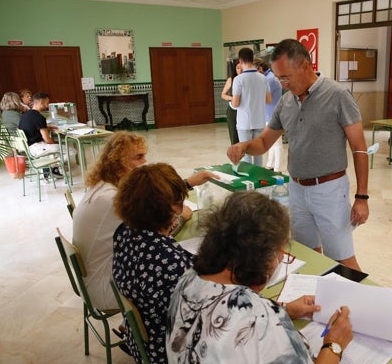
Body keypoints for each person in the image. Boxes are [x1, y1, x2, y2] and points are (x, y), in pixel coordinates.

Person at [227, 39, 369, 272]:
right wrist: (244, 146)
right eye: (278, 77)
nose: (282, 84)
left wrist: (362, 197)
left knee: (342, 259)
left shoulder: (337, 95)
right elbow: (263, 142)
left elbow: (359, 147)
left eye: (286, 77)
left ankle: (364, 305)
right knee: (308, 253)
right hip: (297, 190)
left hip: (330, 190)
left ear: (305, 66)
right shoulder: (286, 102)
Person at [165, 191, 353, 364]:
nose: (281, 258)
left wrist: (286, 310)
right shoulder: (260, 317)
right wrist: (334, 345)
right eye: (281, 252)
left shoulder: (188, 279)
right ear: (263, 256)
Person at [73, 132, 216, 310]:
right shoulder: (111, 200)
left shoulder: (104, 186)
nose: (145, 162)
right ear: (118, 165)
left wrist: (186, 183)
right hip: (105, 286)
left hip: (99, 274)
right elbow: (154, 230)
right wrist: (180, 218)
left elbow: (146, 196)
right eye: (138, 157)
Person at [113, 163, 197, 364]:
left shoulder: (123, 231)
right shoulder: (169, 262)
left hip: (140, 341)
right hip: (167, 352)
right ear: (174, 207)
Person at [231, 47, 271, 166]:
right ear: (253, 59)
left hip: (244, 122)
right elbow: (269, 100)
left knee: (246, 152)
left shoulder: (238, 80)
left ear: (240, 60)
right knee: (258, 153)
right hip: (259, 120)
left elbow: (236, 103)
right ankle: (259, 180)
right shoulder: (263, 78)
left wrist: (232, 102)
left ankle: (249, 181)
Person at [17, 92, 69, 177]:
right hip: (37, 148)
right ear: (41, 102)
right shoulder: (39, 117)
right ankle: (51, 167)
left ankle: (50, 168)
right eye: (47, 103)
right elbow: (47, 140)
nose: (48, 105)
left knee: (56, 150)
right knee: (71, 150)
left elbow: (31, 127)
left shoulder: (25, 115)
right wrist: (57, 143)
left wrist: (46, 127)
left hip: (28, 148)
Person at [254, 57, 284, 172]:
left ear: (260, 68)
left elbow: (261, 96)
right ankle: (270, 165)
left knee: (277, 144)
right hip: (268, 115)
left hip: (274, 116)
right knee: (270, 143)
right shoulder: (267, 78)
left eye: (255, 70)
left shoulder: (270, 79)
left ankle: (277, 169)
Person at [221, 60, 241, 145]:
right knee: (234, 136)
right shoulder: (231, 79)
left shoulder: (248, 79)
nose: (240, 70)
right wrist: (232, 98)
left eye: (242, 68)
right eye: (238, 68)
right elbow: (223, 94)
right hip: (233, 111)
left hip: (245, 110)